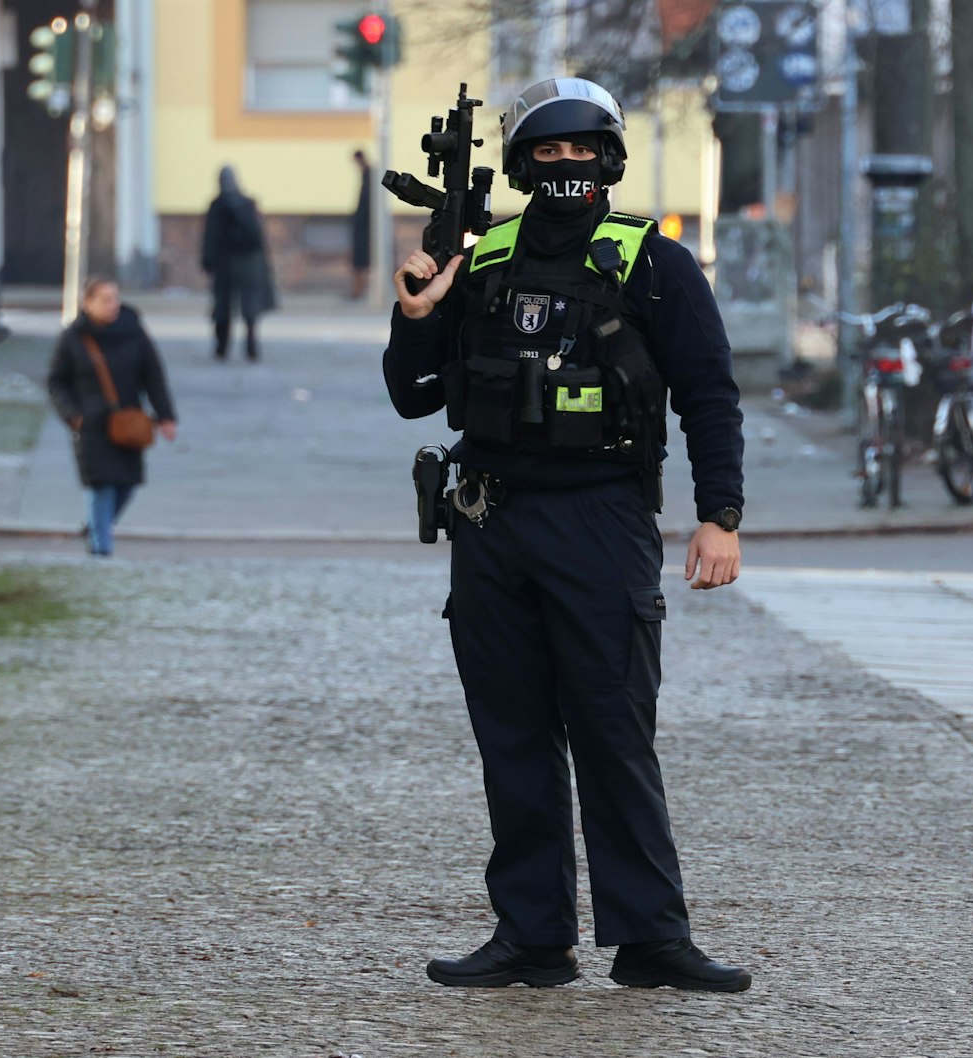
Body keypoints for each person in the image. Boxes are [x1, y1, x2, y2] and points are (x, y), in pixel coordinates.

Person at [383, 77, 750, 992]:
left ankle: (651, 939)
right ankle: (532, 937)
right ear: (520, 164)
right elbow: (413, 396)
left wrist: (720, 516)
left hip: (602, 519)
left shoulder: (653, 263)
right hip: (492, 519)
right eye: (547, 151)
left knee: (613, 730)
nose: (566, 165)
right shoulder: (483, 259)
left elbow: (710, 394)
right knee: (511, 736)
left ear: (609, 160)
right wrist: (417, 314)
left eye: (582, 150)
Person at [47, 278, 178, 557]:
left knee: (127, 485)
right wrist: (72, 415)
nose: (112, 305)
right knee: (100, 486)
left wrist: (166, 416)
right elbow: (56, 381)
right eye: (105, 299)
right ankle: (101, 549)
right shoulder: (73, 337)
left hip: (127, 422)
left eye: (115, 298)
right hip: (90, 424)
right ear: (88, 303)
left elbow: (153, 376)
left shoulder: (134, 332)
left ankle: (96, 527)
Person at [200, 166, 277, 362]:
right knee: (244, 306)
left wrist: (208, 260)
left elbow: (211, 236)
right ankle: (247, 346)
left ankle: (223, 347)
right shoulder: (246, 203)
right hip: (245, 261)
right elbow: (258, 237)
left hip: (228, 261)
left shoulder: (218, 205)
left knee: (225, 306)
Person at [351, 149, 373, 299]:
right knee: (360, 259)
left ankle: (359, 289)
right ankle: (359, 289)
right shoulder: (368, 174)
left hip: (367, 225)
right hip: (365, 223)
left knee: (361, 259)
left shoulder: (369, 175)